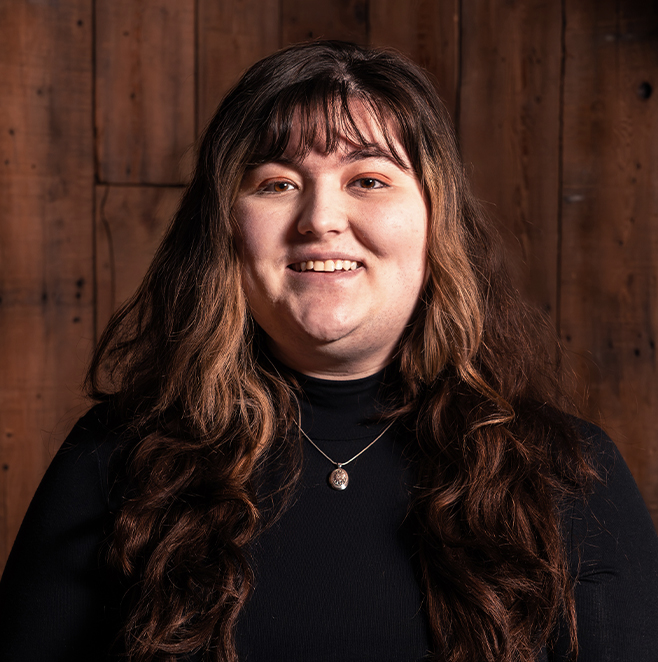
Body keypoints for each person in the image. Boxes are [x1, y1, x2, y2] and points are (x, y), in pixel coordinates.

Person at [0, 40, 657, 662]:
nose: (319, 219)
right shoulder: (115, 462)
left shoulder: (569, 474)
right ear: (225, 227)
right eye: (277, 183)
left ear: (437, 219)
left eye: (368, 180)